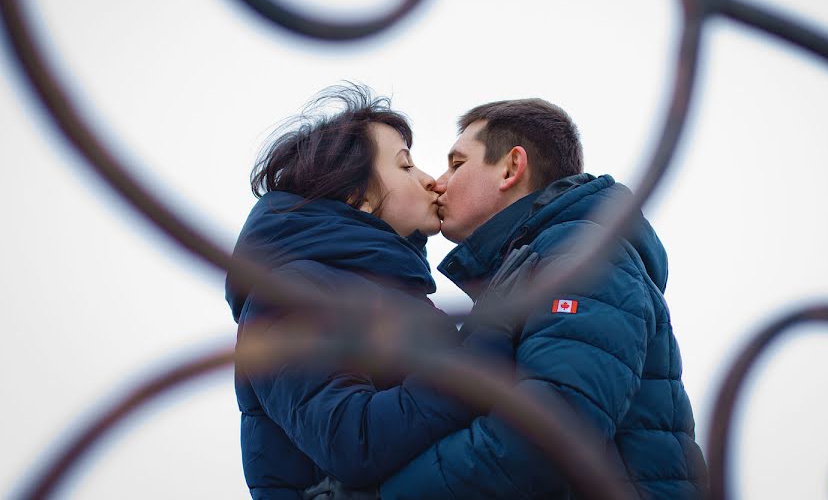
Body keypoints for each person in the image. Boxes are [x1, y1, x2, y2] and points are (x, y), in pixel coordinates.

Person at [377, 99, 708, 499]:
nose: (439, 182)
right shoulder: (538, 262)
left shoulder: (579, 258)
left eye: (458, 163)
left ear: (511, 168)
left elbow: (546, 438)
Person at [224, 84, 516, 499]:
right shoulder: (290, 292)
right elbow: (351, 440)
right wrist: (483, 350)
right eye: (405, 166)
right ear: (357, 197)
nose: (431, 180)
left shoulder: (391, 293)